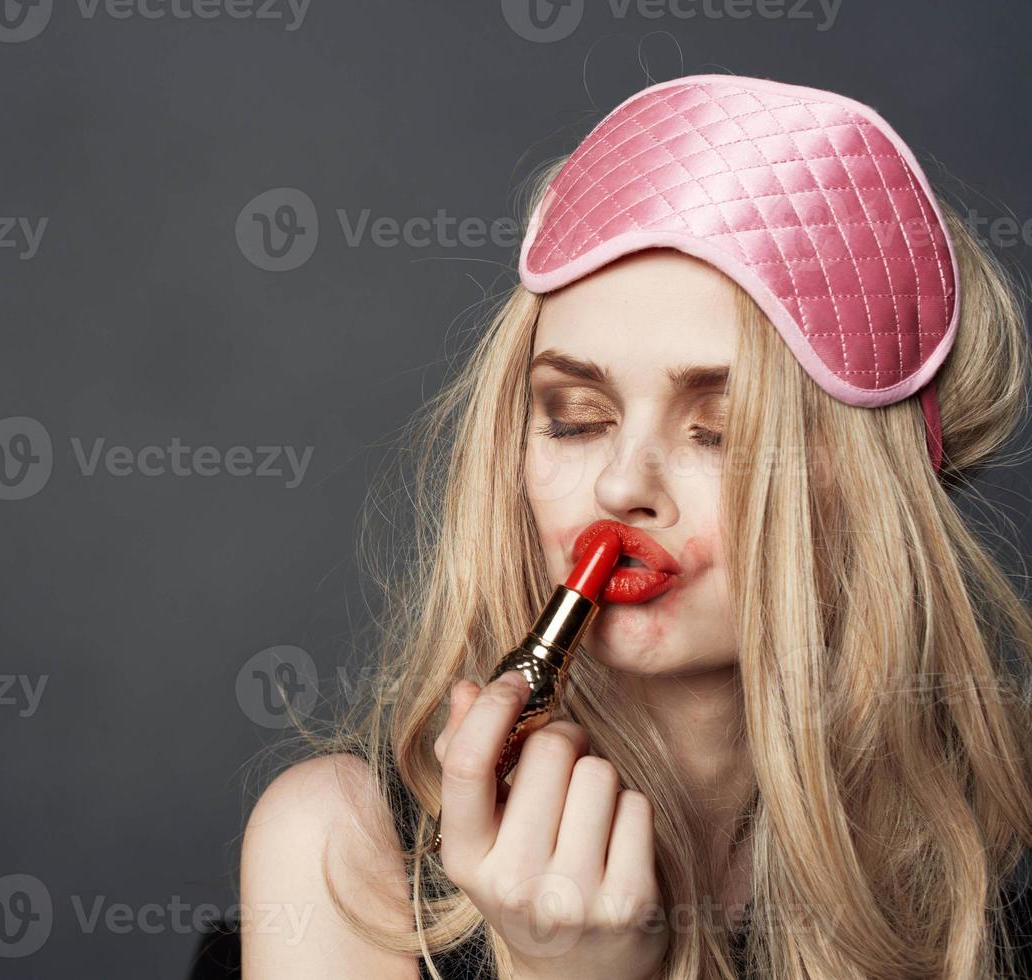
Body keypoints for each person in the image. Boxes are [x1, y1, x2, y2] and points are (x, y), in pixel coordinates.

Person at [237, 75, 1032, 979]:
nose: (620, 484)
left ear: (874, 492)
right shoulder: (342, 852)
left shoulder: (991, 871)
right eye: (574, 417)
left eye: (720, 434)